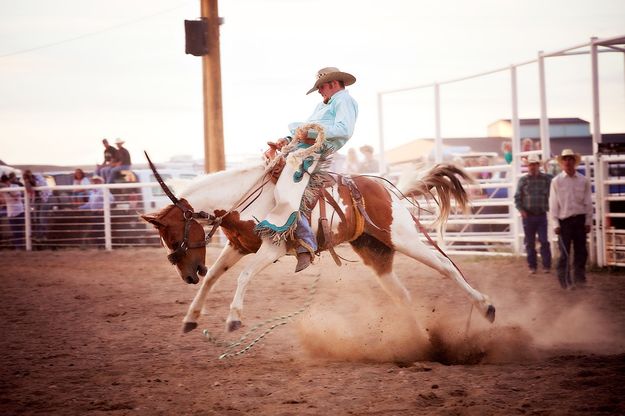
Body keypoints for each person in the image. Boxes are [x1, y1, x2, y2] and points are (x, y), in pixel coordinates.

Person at [260, 67, 358, 272]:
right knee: (268, 171)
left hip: (315, 152)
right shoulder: (324, 105)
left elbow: (344, 130)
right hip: (303, 149)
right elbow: (305, 131)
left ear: (332, 84)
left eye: (321, 87)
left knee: (288, 186)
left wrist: (310, 133)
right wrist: (287, 139)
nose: (320, 92)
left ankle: (306, 240)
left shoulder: (343, 100)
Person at [549, 149, 593, 289]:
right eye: (565, 159)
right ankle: (565, 281)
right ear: (562, 163)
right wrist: (555, 223)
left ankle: (580, 279)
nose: (568, 162)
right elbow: (553, 203)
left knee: (581, 251)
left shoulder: (583, 181)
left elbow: (587, 202)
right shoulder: (556, 181)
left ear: (575, 162)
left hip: (579, 219)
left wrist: (587, 221)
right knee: (565, 253)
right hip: (564, 221)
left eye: (570, 159)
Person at [514, 154, 553, 274]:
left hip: (541, 214)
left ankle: (546, 265)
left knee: (544, 240)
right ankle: (532, 266)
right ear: (528, 166)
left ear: (538, 165)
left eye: (535, 164)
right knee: (530, 242)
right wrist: (521, 210)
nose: (532, 167)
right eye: (530, 164)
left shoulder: (546, 179)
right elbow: (517, 197)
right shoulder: (523, 180)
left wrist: (548, 168)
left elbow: (556, 180)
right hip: (528, 215)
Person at [0, 174, 25, 248]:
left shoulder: (15, 187)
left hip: (19, 211)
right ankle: (18, 247)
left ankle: (22, 246)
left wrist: (8, 192)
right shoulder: (2, 190)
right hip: (11, 212)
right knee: (15, 231)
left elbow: (16, 198)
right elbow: (3, 201)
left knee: (20, 230)